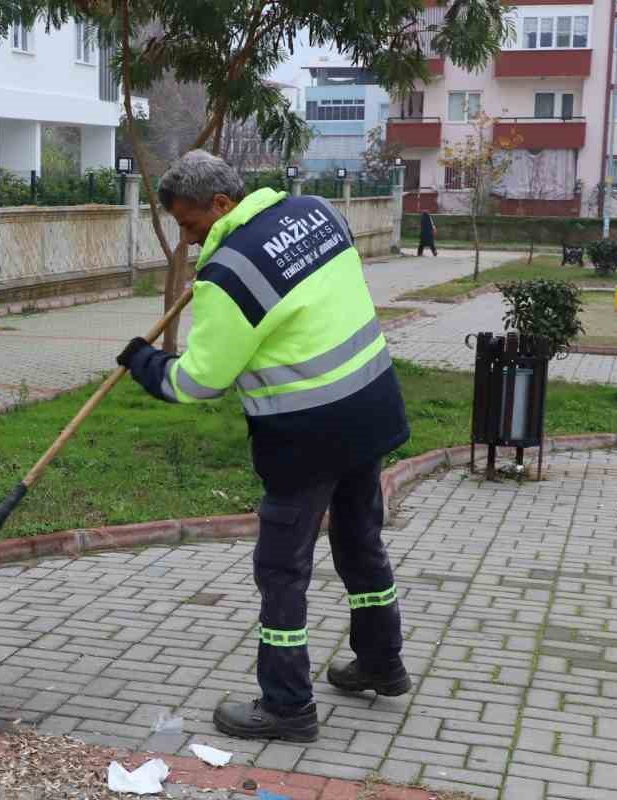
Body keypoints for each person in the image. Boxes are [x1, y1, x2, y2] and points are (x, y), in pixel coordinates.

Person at [117, 150, 413, 743]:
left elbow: (198, 381)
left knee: (281, 572)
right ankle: (382, 662)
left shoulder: (228, 276)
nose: (187, 240)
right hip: (372, 408)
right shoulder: (318, 211)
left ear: (222, 205)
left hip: (305, 438)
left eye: (189, 225)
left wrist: (144, 362)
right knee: (360, 543)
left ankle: (287, 706)